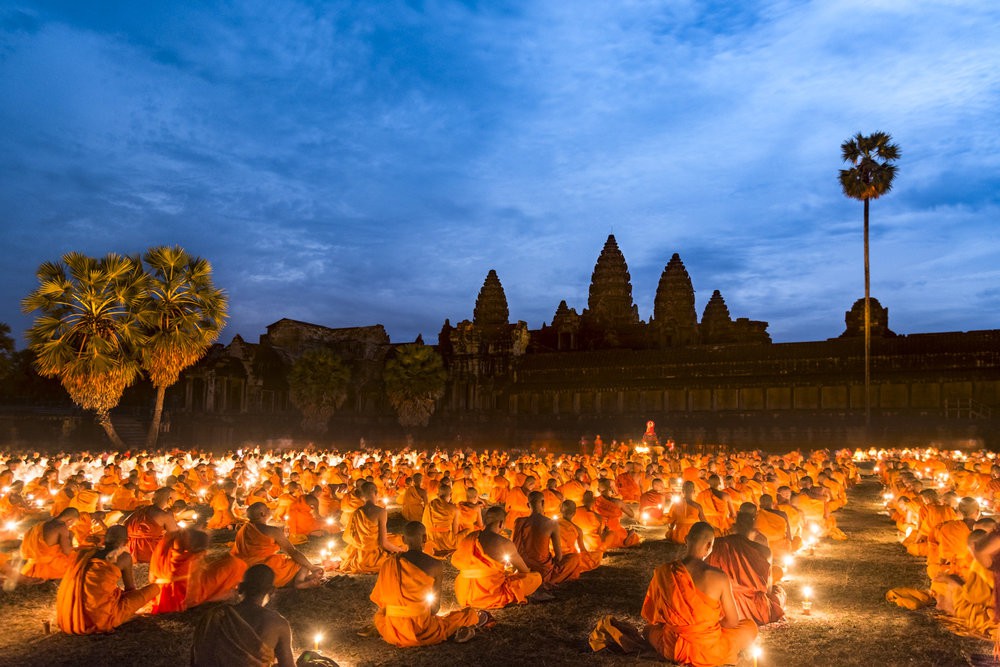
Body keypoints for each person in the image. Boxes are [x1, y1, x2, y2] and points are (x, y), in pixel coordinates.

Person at [591, 522, 757, 666]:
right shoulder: (719, 577)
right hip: (709, 649)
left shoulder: (664, 571)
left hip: (673, 647)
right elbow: (733, 621)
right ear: (709, 546)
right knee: (749, 627)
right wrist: (703, 630)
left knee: (649, 630)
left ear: (686, 540)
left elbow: (653, 616)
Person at [370, 522, 484, 647]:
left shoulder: (389, 564)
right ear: (425, 538)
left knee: (379, 617)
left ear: (403, 539)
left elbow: (381, 601)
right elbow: (434, 609)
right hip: (421, 630)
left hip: (394, 631)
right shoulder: (434, 565)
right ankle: (469, 623)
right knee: (461, 617)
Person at [55, 525, 160, 634]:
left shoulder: (85, 554)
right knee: (154, 588)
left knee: (115, 592)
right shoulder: (124, 557)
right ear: (126, 541)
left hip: (72, 614)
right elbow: (130, 588)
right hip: (101, 618)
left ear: (104, 539)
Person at [191, 564, 296, 667]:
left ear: (240, 588)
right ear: (272, 591)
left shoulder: (214, 616)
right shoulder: (278, 624)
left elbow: (200, 657)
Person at [148, 511, 248, 613]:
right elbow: (199, 545)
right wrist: (200, 533)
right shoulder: (187, 538)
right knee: (236, 564)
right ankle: (221, 594)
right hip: (185, 593)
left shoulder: (167, 541)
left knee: (222, 563)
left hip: (160, 592)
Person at [705, 503, 786, 625]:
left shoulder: (718, 544)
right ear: (754, 524)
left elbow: (707, 579)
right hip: (757, 610)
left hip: (724, 609)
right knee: (778, 592)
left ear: (735, 523)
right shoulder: (763, 549)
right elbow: (768, 590)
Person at [451, 506, 544, 608]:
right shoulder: (504, 543)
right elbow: (524, 570)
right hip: (491, 594)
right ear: (501, 523)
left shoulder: (469, 538)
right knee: (536, 577)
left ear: (485, 521)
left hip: (465, 594)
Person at [231, 502, 323, 588]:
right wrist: (312, 567)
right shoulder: (272, 531)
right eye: (268, 508)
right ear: (263, 514)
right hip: (264, 570)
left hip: (243, 571)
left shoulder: (243, 529)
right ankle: (299, 582)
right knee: (302, 563)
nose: (270, 509)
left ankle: (303, 580)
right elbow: (293, 552)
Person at [512, 491, 581, 586]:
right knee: (574, 558)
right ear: (543, 503)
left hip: (523, 568)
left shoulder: (518, 522)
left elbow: (514, 548)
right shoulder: (551, 523)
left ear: (528, 505)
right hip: (543, 571)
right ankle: (547, 581)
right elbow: (559, 557)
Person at [340, 482, 405, 574]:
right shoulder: (380, 511)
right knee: (402, 544)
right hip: (373, 556)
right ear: (376, 493)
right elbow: (383, 543)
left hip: (360, 554)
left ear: (362, 496)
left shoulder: (357, 512)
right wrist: (400, 550)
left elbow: (350, 537)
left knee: (395, 538)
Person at [19, 507, 78, 581]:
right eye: (73, 523)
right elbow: (67, 551)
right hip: (50, 566)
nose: (71, 526)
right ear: (70, 520)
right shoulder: (62, 528)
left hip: (31, 565)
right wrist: (71, 537)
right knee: (76, 561)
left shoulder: (41, 524)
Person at [124, 487, 179, 563]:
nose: (175, 502)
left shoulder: (140, 511)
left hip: (131, 550)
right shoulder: (164, 515)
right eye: (175, 499)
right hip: (150, 552)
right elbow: (175, 534)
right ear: (169, 499)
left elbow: (125, 524)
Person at [593, 478, 640, 548]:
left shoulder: (594, 501)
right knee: (634, 537)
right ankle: (628, 536)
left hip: (600, 532)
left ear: (598, 490)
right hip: (616, 532)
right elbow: (631, 514)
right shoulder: (618, 502)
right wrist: (623, 506)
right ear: (610, 489)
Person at [422, 483, 462, 556]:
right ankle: (449, 549)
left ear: (438, 494)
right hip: (446, 541)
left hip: (430, 539)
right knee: (469, 531)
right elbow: (455, 532)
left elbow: (424, 524)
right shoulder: (454, 509)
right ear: (451, 494)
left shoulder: (429, 505)